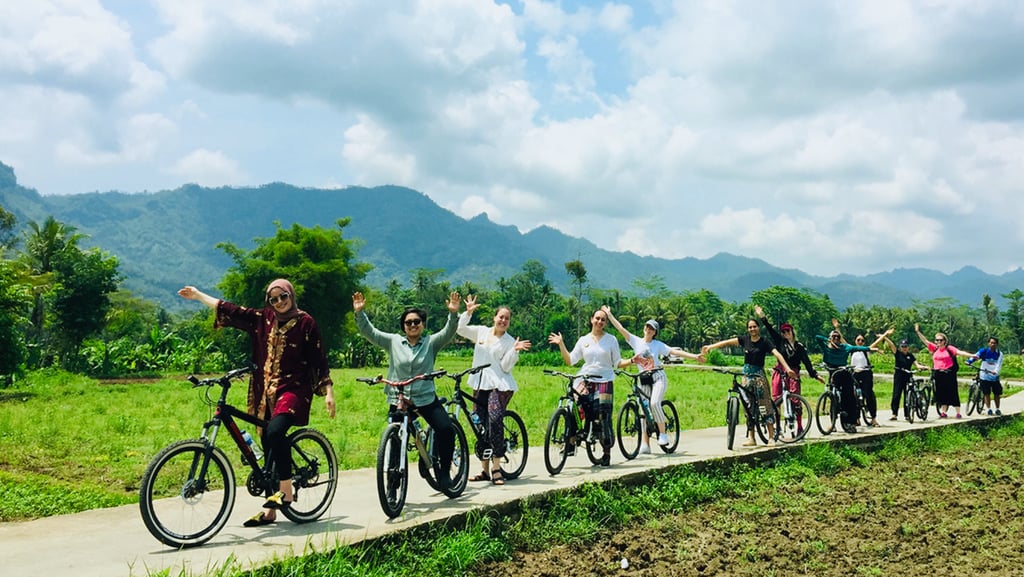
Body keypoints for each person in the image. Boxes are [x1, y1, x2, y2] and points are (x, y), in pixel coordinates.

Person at [178, 280, 336, 527]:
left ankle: (287, 489)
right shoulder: (263, 319)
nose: (280, 302)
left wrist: (328, 392)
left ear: (291, 295)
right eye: (273, 299)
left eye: (283, 296)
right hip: (265, 392)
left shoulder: (306, 323)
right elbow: (230, 309)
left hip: (294, 390)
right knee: (267, 444)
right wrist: (198, 295)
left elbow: (319, 358)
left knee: (275, 431)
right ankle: (270, 511)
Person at [353, 290, 462, 490]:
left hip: (425, 398)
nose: (412, 325)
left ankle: (444, 472)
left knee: (445, 430)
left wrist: (453, 313)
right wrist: (360, 313)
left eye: (416, 322)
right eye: (408, 322)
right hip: (399, 397)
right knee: (395, 439)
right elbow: (370, 332)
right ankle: (393, 486)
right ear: (403, 326)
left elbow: (448, 331)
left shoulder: (430, 343)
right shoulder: (394, 341)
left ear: (422, 324)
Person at [601, 306, 703, 454]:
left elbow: (675, 351)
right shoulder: (636, 341)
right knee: (644, 410)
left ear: (655, 332)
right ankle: (645, 443)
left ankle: (663, 433)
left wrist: (695, 357)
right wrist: (609, 315)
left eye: (651, 328)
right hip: (643, 378)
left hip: (657, 376)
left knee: (654, 403)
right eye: (647, 327)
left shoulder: (658, 345)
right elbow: (621, 329)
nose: (648, 330)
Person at [457, 295, 531, 485]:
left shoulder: (509, 341)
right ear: (494, 318)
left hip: (499, 384)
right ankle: (484, 470)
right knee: (480, 424)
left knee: (495, 418)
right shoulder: (481, 332)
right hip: (480, 383)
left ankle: (496, 468)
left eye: (507, 318)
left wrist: (514, 350)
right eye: (501, 317)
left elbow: (506, 367)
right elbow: (460, 328)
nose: (503, 321)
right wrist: (468, 312)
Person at [702, 318, 796, 447]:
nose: (752, 329)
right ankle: (751, 437)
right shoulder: (744, 339)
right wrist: (711, 347)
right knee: (748, 407)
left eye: (754, 327)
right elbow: (727, 343)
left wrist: (787, 368)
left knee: (764, 405)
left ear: (758, 328)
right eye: (750, 327)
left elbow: (778, 354)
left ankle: (770, 437)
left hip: (759, 376)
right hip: (746, 376)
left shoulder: (765, 342)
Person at [548, 308, 621, 466]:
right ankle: (572, 440)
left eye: (603, 320)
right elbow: (570, 360)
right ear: (591, 319)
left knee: (603, 414)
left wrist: (634, 360)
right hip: (586, 378)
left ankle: (606, 451)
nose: (599, 322)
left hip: (604, 379)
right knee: (573, 403)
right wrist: (561, 344)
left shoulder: (611, 340)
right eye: (597, 318)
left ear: (606, 323)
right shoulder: (583, 340)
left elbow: (617, 362)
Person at [814, 319, 875, 433]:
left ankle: (850, 422)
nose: (836, 339)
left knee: (848, 397)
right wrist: (828, 339)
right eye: (834, 337)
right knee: (833, 397)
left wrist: (871, 348)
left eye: (838, 337)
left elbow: (857, 348)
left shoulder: (844, 347)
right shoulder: (826, 349)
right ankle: (832, 423)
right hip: (833, 373)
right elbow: (817, 337)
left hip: (844, 373)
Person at [753, 306, 824, 403]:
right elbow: (770, 329)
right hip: (780, 371)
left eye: (788, 331)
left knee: (795, 399)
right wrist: (762, 316)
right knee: (776, 398)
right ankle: (776, 417)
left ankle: (795, 417)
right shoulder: (780, 342)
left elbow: (806, 362)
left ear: (792, 331)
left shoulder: (799, 347)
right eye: (783, 332)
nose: (786, 333)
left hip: (793, 372)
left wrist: (815, 375)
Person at [913, 323, 973, 419]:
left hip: (949, 373)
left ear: (944, 341)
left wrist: (971, 356)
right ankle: (944, 411)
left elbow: (960, 352)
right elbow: (925, 341)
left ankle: (958, 412)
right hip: (938, 373)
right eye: (937, 340)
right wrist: (917, 332)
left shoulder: (949, 349)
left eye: (941, 340)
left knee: (953, 392)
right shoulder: (935, 349)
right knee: (941, 393)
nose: (938, 342)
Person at [848, 328, 894, 426]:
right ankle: (856, 418)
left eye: (862, 340)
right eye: (858, 340)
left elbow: (877, 342)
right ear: (855, 341)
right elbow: (841, 339)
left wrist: (885, 334)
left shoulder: (866, 350)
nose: (860, 342)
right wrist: (837, 328)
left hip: (866, 374)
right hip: (855, 374)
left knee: (869, 395)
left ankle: (873, 418)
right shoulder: (851, 349)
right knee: (854, 396)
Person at [881, 336, 929, 420]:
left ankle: (907, 414)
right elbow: (891, 345)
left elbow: (916, 365)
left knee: (907, 395)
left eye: (905, 346)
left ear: (908, 347)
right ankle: (894, 414)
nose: (904, 348)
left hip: (908, 376)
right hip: (899, 376)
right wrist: (885, 337)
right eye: (902, 346)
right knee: (896, 395)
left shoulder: (911, 356)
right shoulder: (898, 354)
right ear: (900, 347)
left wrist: (924, 367)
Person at [968, 337, 1004, 415]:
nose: (992, 344)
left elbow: (999, 364)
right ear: (988, 343)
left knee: (997, 393)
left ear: (997, 344)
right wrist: (969, 361)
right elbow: (976, 356)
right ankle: (988, 409)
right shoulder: (983, 351)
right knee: (986, 393)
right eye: (991, 343)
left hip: (994, 376)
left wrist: (996, 371)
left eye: (994, 343)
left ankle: (997, 409)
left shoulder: (999, 354)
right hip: (984, 374)